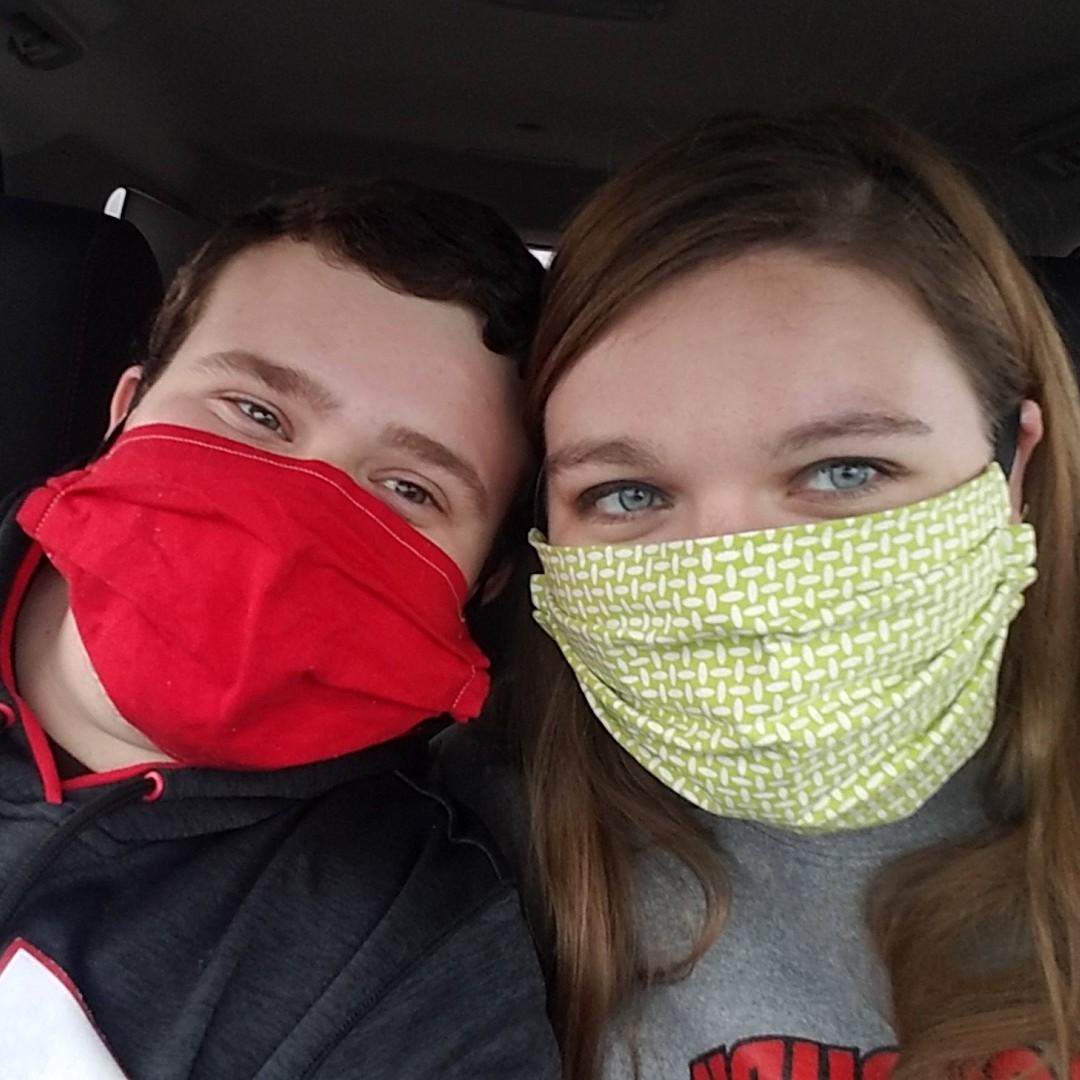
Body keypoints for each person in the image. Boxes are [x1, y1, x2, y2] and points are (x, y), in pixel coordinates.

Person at [499, 107, 1080, 1078]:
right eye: (628, 493)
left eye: (845, 470)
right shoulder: (473, 840)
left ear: (1014, 470)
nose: (735, 582)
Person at [0, 180, 559, 1078]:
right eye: (256, 411)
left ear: (483, 584)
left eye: (409, 489)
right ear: (126, 410)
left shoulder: (417, 950)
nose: (294, 517)